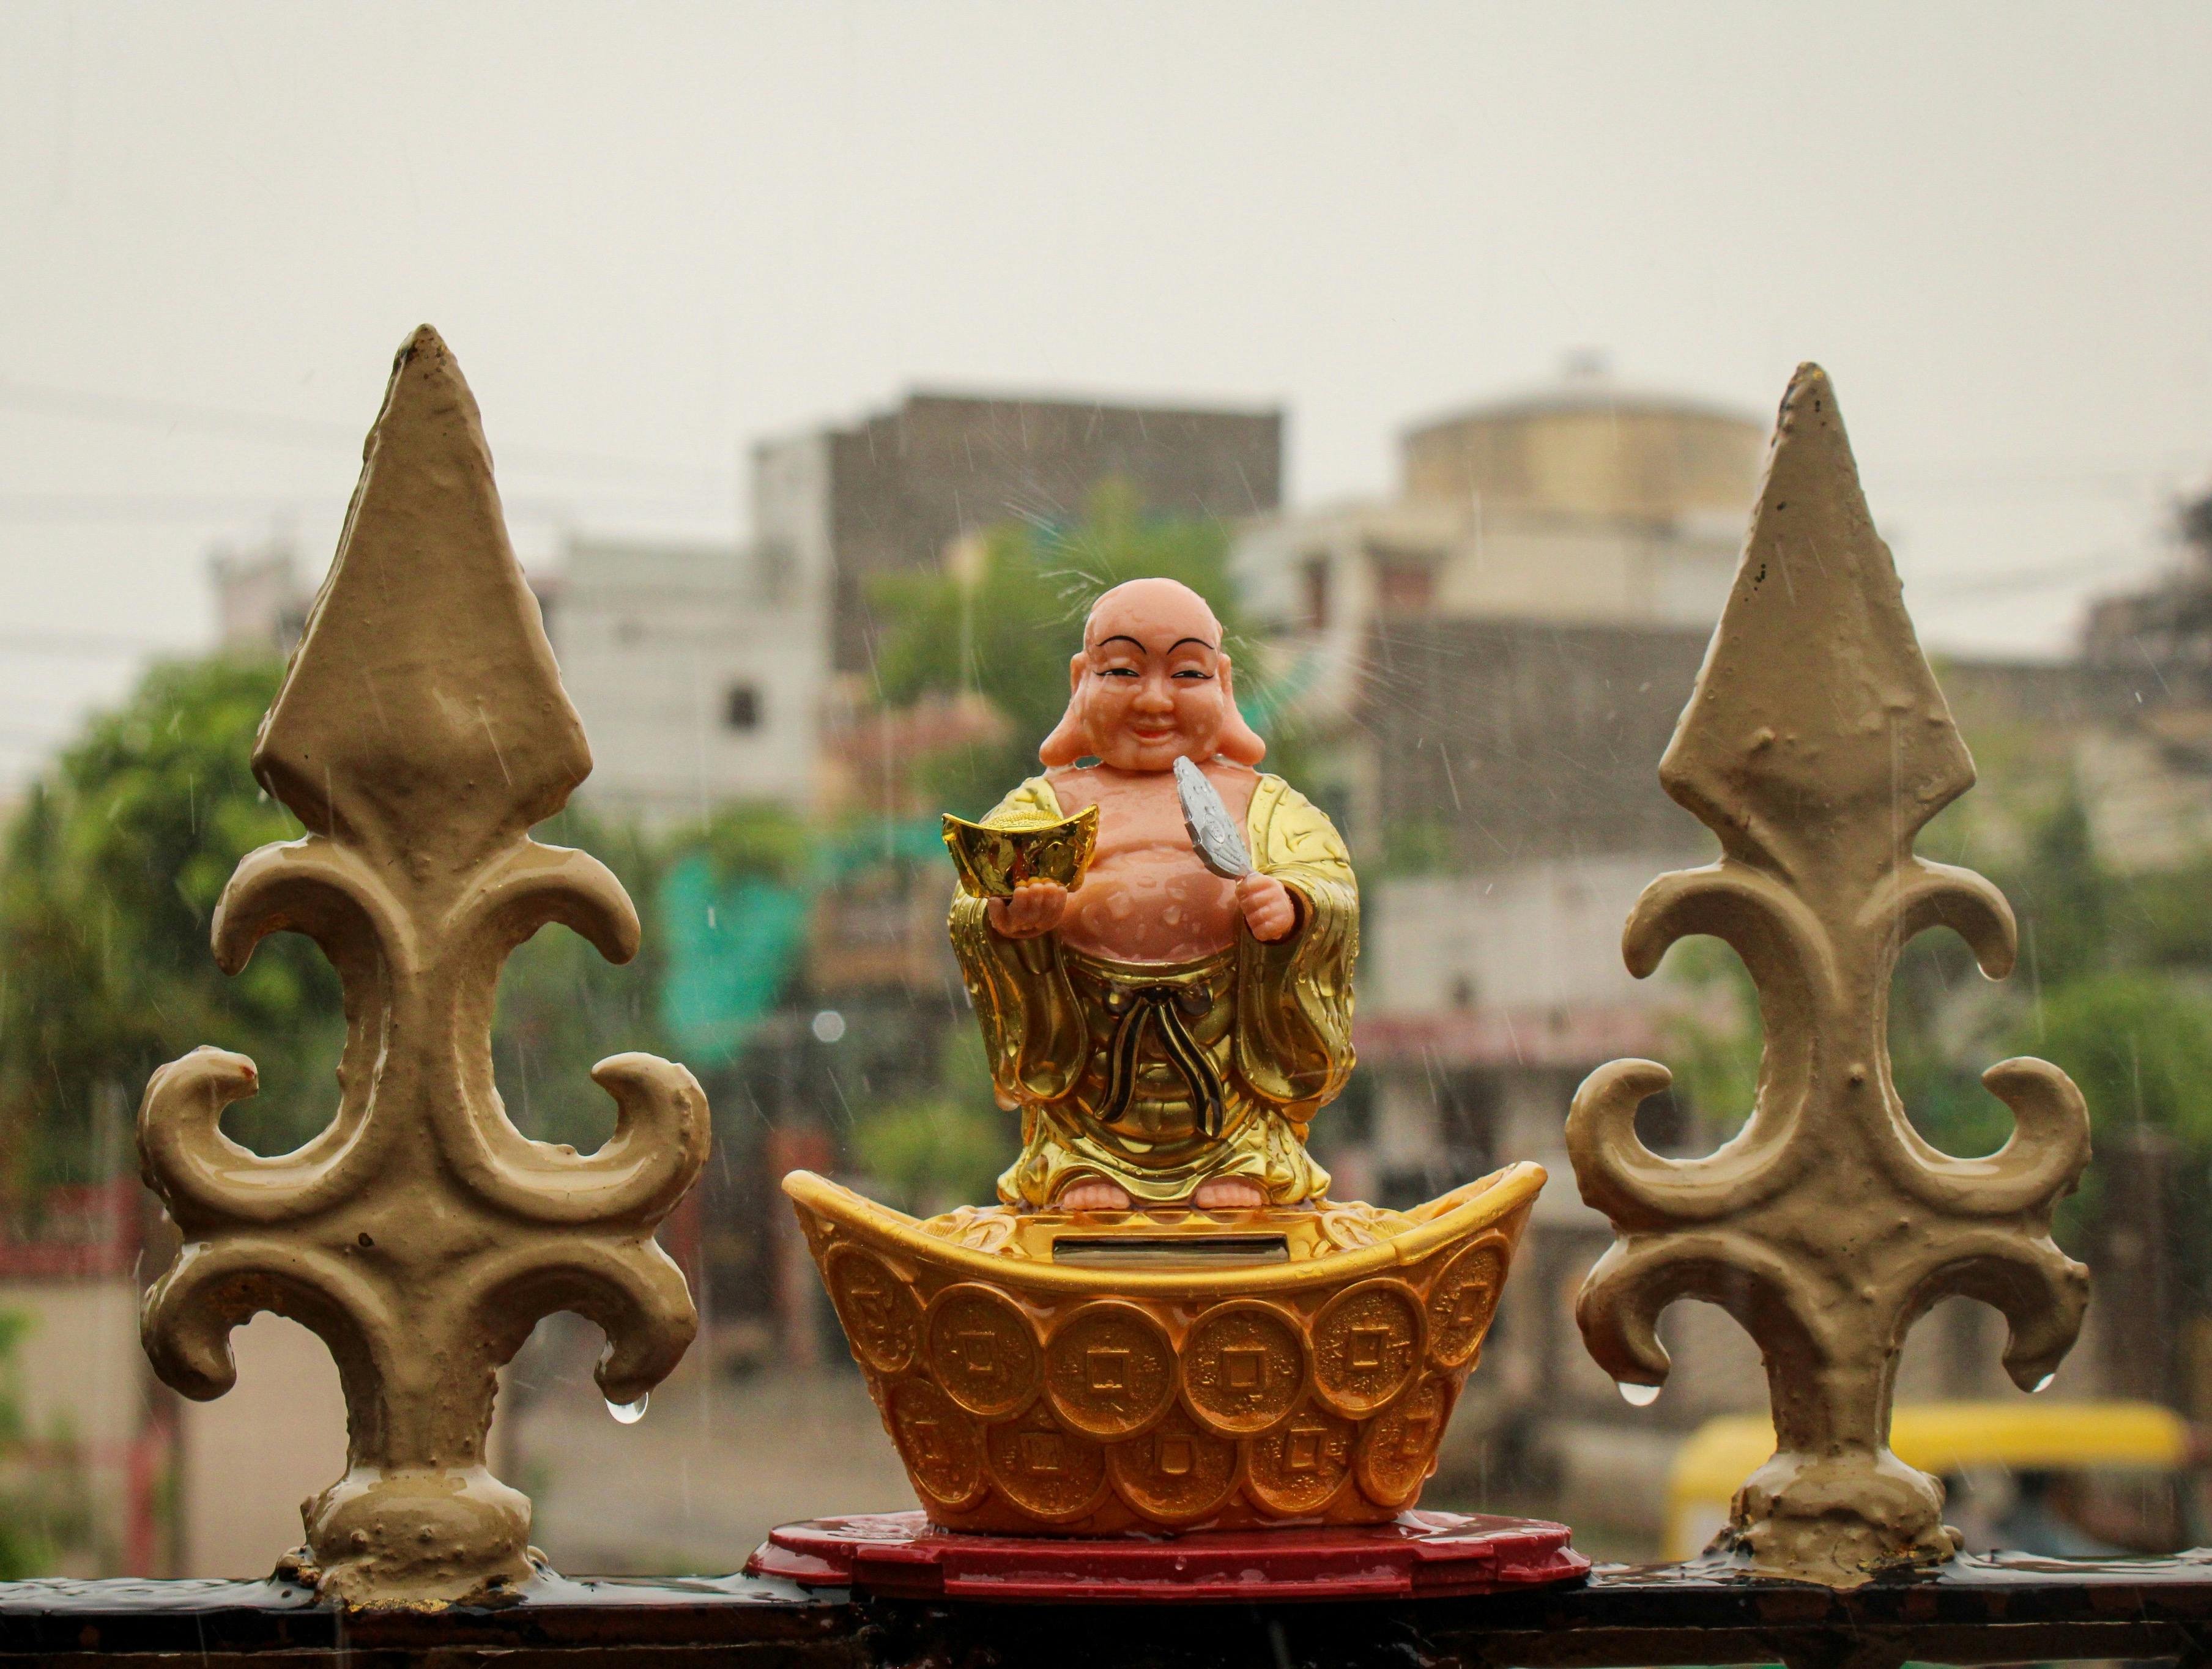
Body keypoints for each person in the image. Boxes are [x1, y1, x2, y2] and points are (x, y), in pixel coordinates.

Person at [948, 577, 1357, 1212]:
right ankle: (1084, 1160)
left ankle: (1236, 1156)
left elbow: (1330, 881)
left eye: (1187, 673)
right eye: (1122, 671)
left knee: (1240, 1150)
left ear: (1223, 683)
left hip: (1228, 1069)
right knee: (1083, 1143)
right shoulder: (1046, 802)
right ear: (1081, 680)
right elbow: (975, 897)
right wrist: (1009, 917)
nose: (1154, 699)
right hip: (1090, 1069)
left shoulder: (1266, 803)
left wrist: (1295, 905)